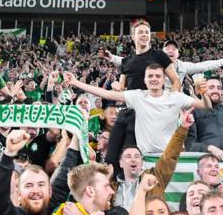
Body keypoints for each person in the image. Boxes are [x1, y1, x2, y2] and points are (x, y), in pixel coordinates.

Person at [64, 64, 203, 157]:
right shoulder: (137, 96)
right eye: (150, 76)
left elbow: (205, 105)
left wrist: (204, 93)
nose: (154, 79)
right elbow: (105, 94)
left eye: (158, 76)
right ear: (145, 80)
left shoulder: (176, 97)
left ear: (163, 80)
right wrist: (76, 83)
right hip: (145, 159)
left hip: (171, 156)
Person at [101, 19, 182, 167]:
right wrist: (116, 87)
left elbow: (176, 81)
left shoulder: (159, 55)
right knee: (111, 156)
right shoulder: (126, 61)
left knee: (132, 156)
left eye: (147, 32)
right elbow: (122, 88)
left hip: (147, 114)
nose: (144, 35)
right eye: (140, 32)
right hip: (127, 112)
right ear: (133, 36)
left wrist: (167, 101)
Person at [112, 114, 192, 211]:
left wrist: (182, 128)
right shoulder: (112, 188)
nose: (133, 159)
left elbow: (169, 157)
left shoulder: (155, 177)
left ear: (141, 163)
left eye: (137, 156)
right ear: (121, 163)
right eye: (128, 156)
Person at [106, 39, 223, 93]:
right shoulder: (154, 63)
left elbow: (203, 65)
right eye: (167, 48)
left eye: (174, 49)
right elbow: (131, 62)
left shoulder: (183, 66)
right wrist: (112, 58)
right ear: (161, 52)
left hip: (175, 101)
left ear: (178, 53)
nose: (170, 50)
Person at [185, 78, 223, 157]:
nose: (216, 91)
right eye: (211, 88)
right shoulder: (194, 113)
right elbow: (190, 145)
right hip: (207, 162)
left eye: (218, 88)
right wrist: (210, 148)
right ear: (203, 91)